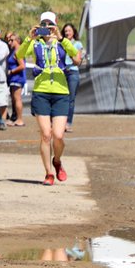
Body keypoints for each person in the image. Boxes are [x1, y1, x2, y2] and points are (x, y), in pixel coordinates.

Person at [18, 11, 81, 186]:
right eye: (44, 24)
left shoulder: (62, 42)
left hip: (61, 92)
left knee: (58, 135)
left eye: (50, 24)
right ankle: (48, 173)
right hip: (41, 92)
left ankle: (57, 161)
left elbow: (76, 57)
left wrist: (61, 38)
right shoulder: (36, 43)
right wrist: (29, 38)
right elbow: (19, 55)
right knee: (46, 135)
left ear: (56, 24)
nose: (47, 28)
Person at [62, 23, 85, 132]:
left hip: (72, 72)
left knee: (71, 99)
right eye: (65, 31)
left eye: (69, 31)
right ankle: (59, 122)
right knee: (61, 98)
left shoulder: (77, 44)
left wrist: (70, 53)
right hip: (62, 72)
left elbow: (78, 61)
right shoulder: (60, 43)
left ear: (73, 32)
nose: (67, 33)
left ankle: (68, 122)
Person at [6, 31, 27, 126]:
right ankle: (16, 118)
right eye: (9, 40)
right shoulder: (13, 51)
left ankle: (20, 119)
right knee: (14, 99)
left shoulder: (18, 51)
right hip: (13, 79)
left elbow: (22, 66)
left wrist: (12, 71)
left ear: (18, 40)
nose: (9, 42)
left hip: (17, 78)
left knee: (17, 99)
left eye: (12, 40)